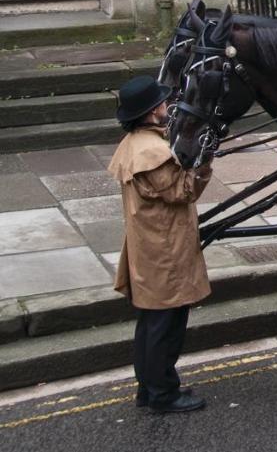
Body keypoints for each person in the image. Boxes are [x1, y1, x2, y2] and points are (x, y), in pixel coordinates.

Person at [107, 75, 213, 414]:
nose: (168, 107)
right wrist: (204, 161)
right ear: (153, 112)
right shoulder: (151, 152)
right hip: (164, 249)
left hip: (151, 245)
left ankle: (150, 388)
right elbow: (182, 191)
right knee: (166, 326)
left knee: (152, 323)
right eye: (163, 104)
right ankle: (164, 393)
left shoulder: (135, 143)